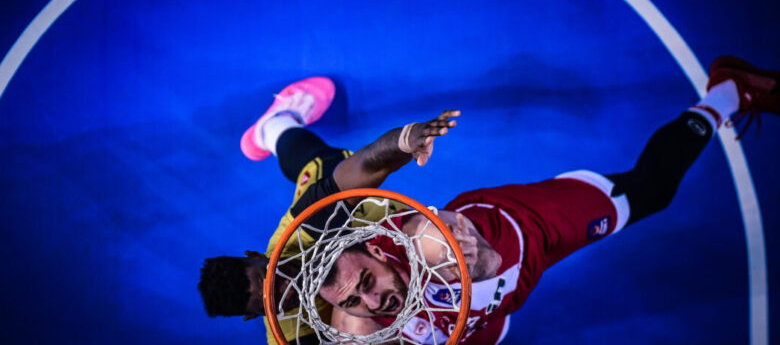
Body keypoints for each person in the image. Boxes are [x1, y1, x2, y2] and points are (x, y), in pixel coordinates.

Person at [199, 57, 779, 344]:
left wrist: (401, 143)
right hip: (476, 323)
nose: (292, 283)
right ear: (260, 316)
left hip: (523, 232)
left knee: (316, 163)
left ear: (264, 255)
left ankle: (277, 124)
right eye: (277, 297)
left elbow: (358, 174)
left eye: (277, 273)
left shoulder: (318, 232)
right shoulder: (306, 332)